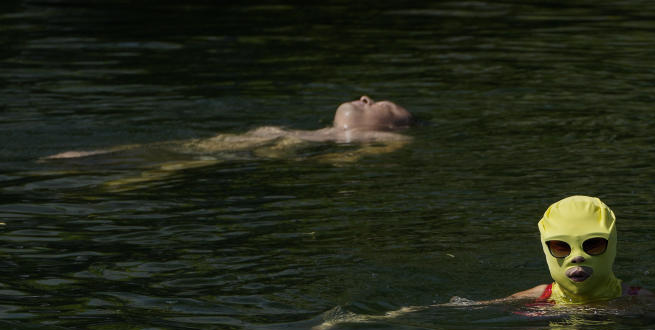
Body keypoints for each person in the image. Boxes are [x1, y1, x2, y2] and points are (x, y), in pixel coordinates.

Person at [314, 195, 655, 330]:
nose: (578, 258)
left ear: (611, 247)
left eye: (593, 245)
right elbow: (454, 306)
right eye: (562, 249)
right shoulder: (538, 297)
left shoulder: (638, 299)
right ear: (548, 250)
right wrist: (376, 317)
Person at [44, 95, 416, 160]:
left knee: (179, 159)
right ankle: (98, 157)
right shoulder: (325, 134)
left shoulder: (373, 142)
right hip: (267, 140)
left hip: (272, 147)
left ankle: (99, 164)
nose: (366, 98)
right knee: (182, 149)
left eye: (385, 105)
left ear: (389, 129)